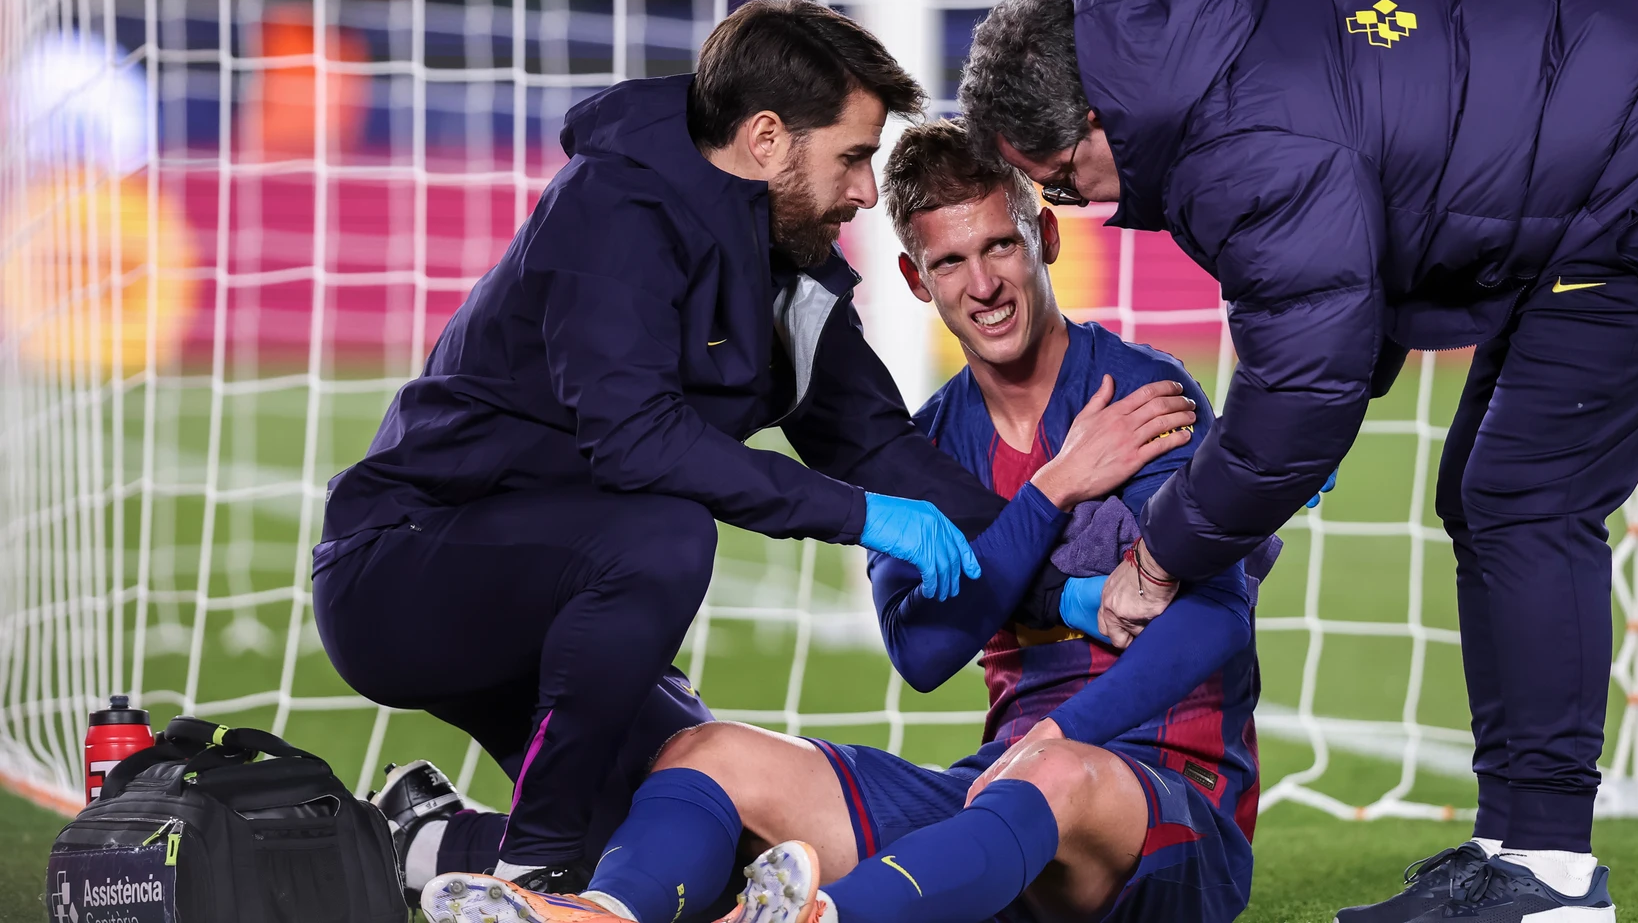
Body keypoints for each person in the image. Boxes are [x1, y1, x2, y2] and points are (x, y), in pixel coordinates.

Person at [958, 0, 1638, 923]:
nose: (1073, 203)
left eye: (1059, 177)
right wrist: (1270, 462)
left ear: (1098, 120)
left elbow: (1300, 391)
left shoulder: (1233, 146)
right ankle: (1517, 854)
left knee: (1522, 497)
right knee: (1486, 494)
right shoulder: (1192, 39)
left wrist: (1163, 555)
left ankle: (1549, 879)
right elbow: (1368, 253)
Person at [313, 0, 1192, 895]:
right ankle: (533, 866)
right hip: (406, 570)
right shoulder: (613, 208)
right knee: (665, 535)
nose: (862, 191)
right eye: (852, 157)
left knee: (697, 822)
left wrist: (1063, 588)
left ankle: (417, 840)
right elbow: (636, 440)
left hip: (552, 607)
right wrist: (862, 518)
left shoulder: (791, 272)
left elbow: (881, 448)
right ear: (767, 138)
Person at [414, 118, 1273, 923]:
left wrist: (1056, 731)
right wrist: (1048, 495)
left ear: (1045, 239)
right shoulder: (921, 445)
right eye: (950, 261)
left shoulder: (1144, 397)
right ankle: (606, 913)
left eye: (1001, 245)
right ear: (914, 278)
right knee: (706, 752)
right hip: (996, 808)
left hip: (1164, 808)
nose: (983, 285)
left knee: (1051, 773)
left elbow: (1213, 617)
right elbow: (924, 652)